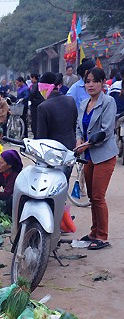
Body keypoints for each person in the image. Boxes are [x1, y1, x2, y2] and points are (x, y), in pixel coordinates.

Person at [76, 67, 117, 250]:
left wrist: (86, 145)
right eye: (87, 81)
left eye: (95, 81)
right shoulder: (84, 103)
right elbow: (79, 127)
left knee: (99, 196)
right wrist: (79, 141)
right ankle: (94, 232)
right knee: (92, 196)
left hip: (104, 156)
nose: (90, 85)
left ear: (102, 83)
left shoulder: (109, 102)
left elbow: (106, 131)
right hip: (88, 156)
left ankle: (102, 236)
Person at [37, 72, 78, 149]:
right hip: (71, 147)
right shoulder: (71, 100)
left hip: (53, 150)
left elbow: (41, 136)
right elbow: (74, 125)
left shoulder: (43, 107)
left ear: (44, 88)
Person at [28, 73, 44, 138]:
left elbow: (31, 93)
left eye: (31, 78)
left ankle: (36, 136)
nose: (31, 80)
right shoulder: (41, 84)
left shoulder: (35, 85)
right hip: (41, 104)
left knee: (34, 122)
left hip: (35, 106)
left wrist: (31, 99)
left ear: (34, 78)